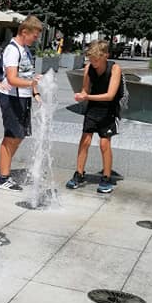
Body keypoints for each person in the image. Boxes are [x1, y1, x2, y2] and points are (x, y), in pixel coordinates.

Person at [65, 40, 123, 195]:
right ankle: (79, 173)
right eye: (91, 59)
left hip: (109, 109)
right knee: (85, 141)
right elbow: (85, 89)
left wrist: (87, 97)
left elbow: (110, 95)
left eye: (96, 59)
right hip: (93, 108)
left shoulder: (115, 69)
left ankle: (106, 177)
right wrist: (81, 95)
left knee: (104, 144)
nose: (93, 63)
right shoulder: (88, 68)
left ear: (105, 56)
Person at [0, 16, 43, 191]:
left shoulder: (25, 49)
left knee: (19, 135)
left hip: (23, 97)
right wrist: (32, 83)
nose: (35, 39)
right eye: (34, 36)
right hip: (12, 98)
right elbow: (12, 78)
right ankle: (3, 178)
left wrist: (35, 92)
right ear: (24, 32)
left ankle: (3, 167)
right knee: (11, 136)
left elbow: (27, 73)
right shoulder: (12, 50)